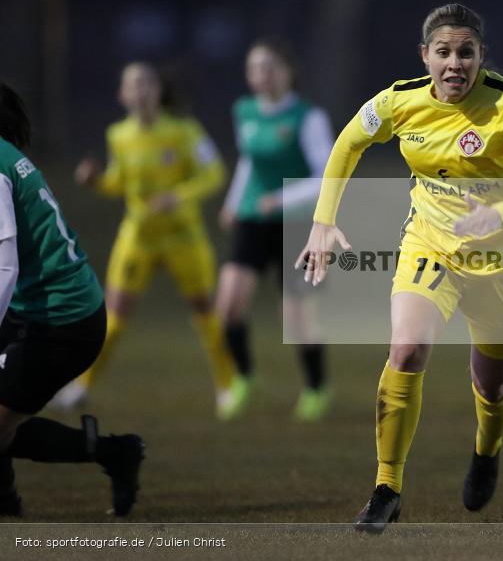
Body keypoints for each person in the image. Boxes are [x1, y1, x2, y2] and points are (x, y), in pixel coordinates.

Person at [296, 4, 503, 532]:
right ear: (426, 56)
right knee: (407, 349)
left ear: (481, 56)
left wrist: (500, 211)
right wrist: (322, 221)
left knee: (490, 385)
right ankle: (386, 488)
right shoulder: (398, 102)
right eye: (443, 52)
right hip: (431, 247)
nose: (455, 63)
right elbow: (348, 143)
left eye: (466, 52)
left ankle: (487, 450)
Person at [54, 62, 238, 419]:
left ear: (158, 91)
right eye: (133, 85)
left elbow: (214, 174)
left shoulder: (183, 131)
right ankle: (82, 387)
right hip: (138, 237)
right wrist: (96, 181)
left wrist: (178, 196)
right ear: (122, 95)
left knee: (205, 313)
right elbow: (119, 183)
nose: (141, 90)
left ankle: (227, 386)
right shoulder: (118, 136)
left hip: (183, 236)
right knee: (112, 318)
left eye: (147, 83)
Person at [0, 81, 144, 517]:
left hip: (62, 320)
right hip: (37, 309)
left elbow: (4, 263)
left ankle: (113, 453)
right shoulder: (8, 156)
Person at [216, 39, 334, 421]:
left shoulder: (308, 117)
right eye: (255, 68)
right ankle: (244, 378)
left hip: (296, 223)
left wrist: (281, 199)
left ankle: (316, 388)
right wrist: (235, 202)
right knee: (229, 304)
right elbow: (249, 162)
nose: (262, 75)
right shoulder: (244, 110)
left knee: (296, 320)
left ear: (288, 71)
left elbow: (326, 176)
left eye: (270, 67)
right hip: (253, 219)